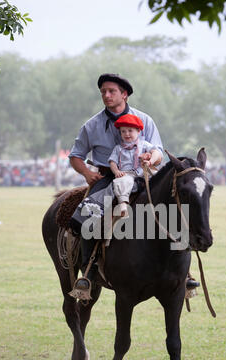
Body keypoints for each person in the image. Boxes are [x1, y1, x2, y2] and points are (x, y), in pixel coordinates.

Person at [68, 73, 199, 299]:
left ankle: (184, 273)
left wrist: (152, 158)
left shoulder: (145, 120)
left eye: (111, 91)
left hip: (144, 175)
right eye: (103, 92)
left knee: (173, 209)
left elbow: (158, 149)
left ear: (124, 94)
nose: (106, 96)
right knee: (88, 215)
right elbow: (76, 156)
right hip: (109, 178)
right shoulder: (92, 125)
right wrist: (87, 173)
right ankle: (87, 274)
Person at [109, 114, 162, 218]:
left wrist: (150, 161)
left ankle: (163, 197)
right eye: (123, 131)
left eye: (130, 131)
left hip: (144, 172)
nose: (127, 134)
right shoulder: (118, 148)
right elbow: (112, 162)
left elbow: (156, 152)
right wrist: (116, 172)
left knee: (159, 176)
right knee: (122, 182)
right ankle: (123, 203)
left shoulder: (144, 144)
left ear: (138, 131)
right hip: (127, 173)